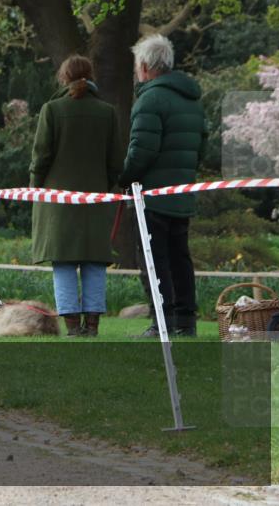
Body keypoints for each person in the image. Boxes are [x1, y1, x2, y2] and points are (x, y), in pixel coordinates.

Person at [29, 55, 124, 337]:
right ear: (90, 76)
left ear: (63, 78)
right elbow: (115, 162)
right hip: (96, 200)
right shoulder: (108, 112)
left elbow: (41, 157)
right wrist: (107, 190)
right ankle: (92, 327)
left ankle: (72, 328)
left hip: (58, 202)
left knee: (64, 262)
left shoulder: (52, 110)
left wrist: (35, 189)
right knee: (94, 261)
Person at [120, 34, 207, 337]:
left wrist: (124, 178)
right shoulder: (192, 100)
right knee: (180, 257)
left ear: (144, 66)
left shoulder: (150, 99)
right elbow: (202, 149)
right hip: (182, 193)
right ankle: (186, 320)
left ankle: (162, 321)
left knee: (153, 261)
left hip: (153, 197)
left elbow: (141, 150)